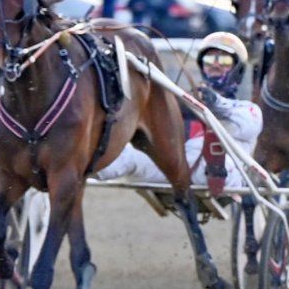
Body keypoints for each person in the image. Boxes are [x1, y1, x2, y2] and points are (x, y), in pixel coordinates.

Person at [94, 32, 260, 189]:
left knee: (215, 158)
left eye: (224, 61)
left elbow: (244, 127)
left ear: (236, 69)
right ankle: (83, 167)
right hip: (177, 167)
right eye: (210, 60)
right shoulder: (185, 101)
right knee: (129, 155)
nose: (215, 65)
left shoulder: (248, 110)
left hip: (221, 173)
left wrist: (215, 103)